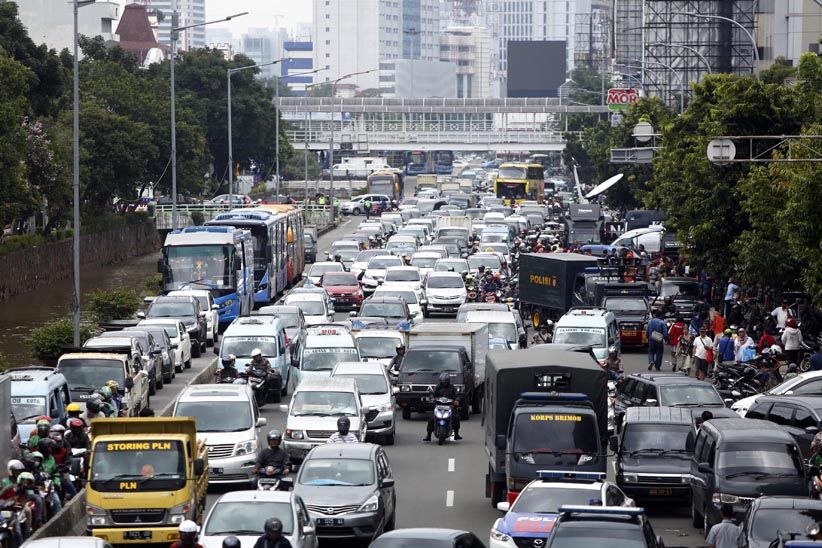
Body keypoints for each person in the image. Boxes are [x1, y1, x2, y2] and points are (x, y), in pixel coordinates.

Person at [424, 373, 461, 441]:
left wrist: (456, 400)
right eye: (443, 382)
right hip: (438, 406)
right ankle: (428, 435)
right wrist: (432, 398)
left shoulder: (452, 387)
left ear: (448, 381)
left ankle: (456, 434)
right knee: (431, 419)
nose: (444, 383)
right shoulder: (437, 387)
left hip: (449, 407)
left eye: (446, 382)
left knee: (456, 417)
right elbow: (432, 393)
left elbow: (457, 395)